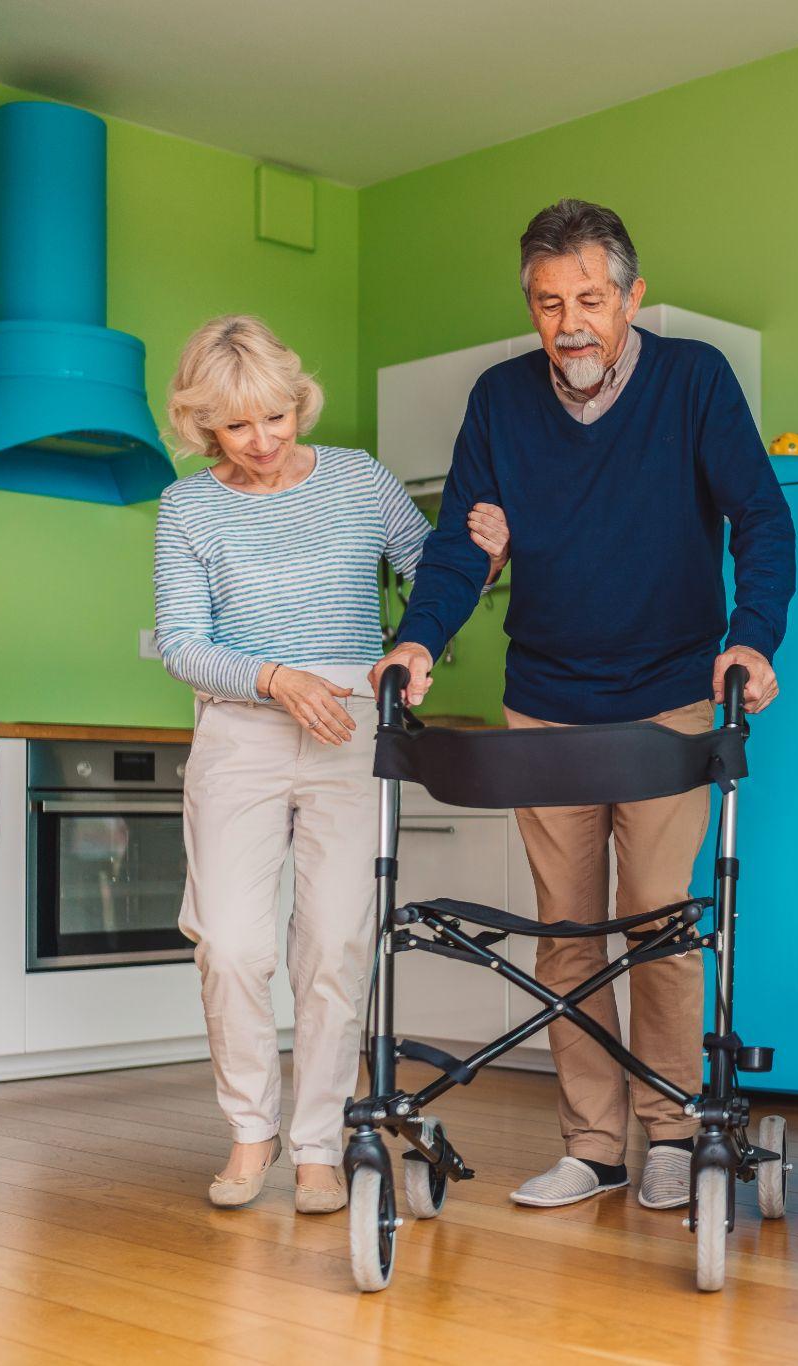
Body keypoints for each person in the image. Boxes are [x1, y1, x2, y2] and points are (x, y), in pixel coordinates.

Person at [370, 199, 795, 1213]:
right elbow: (459, 547)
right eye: (548, 302)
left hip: (668, 701)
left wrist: (752, 636)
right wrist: (418, 640)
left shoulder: (693, 382)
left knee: (656, 924)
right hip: (546, 701)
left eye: (591, 300)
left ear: (632, 298)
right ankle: (593, 1144)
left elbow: (761, 518)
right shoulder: (502, 398)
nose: (570, 324)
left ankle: (670, 1132)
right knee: (564, 932)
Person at [154, 315, 512, 1212]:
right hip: (242, 731)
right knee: (232, 945)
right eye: (238, 427)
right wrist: (276, 679)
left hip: (351, 726)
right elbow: (181, 643)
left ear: (295, 400)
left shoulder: (356, 478)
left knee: (336, 944)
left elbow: (433, 570)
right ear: (205, 426)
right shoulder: (189, 506)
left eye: (276, 417)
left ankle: (317, 1141)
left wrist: (488, 555)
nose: (264, 442)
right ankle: (251, 1131)